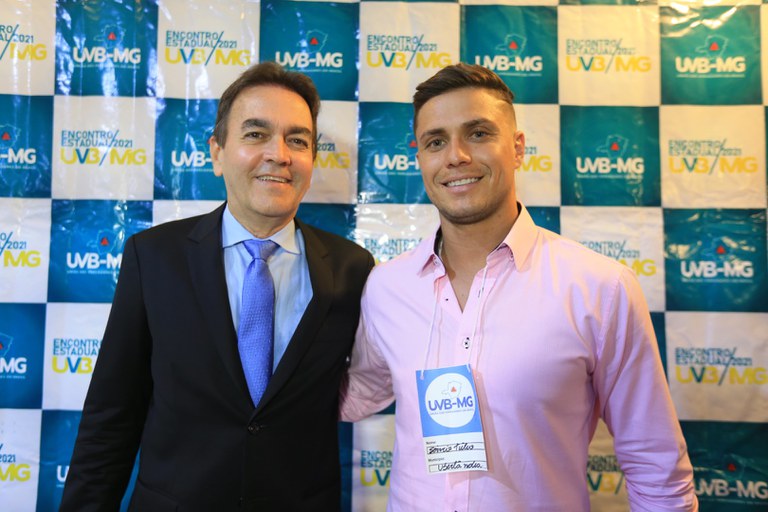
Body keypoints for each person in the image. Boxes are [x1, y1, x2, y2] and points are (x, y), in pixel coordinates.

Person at [340, 63, 698, 511]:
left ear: (517, 148)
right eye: (436, 142)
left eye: (478, 134)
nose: (456, 156)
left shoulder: (599, 288)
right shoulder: (387, 287)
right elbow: (355, 395)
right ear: (420, 158)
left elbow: (655, 465)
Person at [61, 62, 374, 511]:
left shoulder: (352, 269)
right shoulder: (154, 258)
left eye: (298, 140)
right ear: (217, 152)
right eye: (256, 134)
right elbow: (111, 416)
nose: (279, 154)